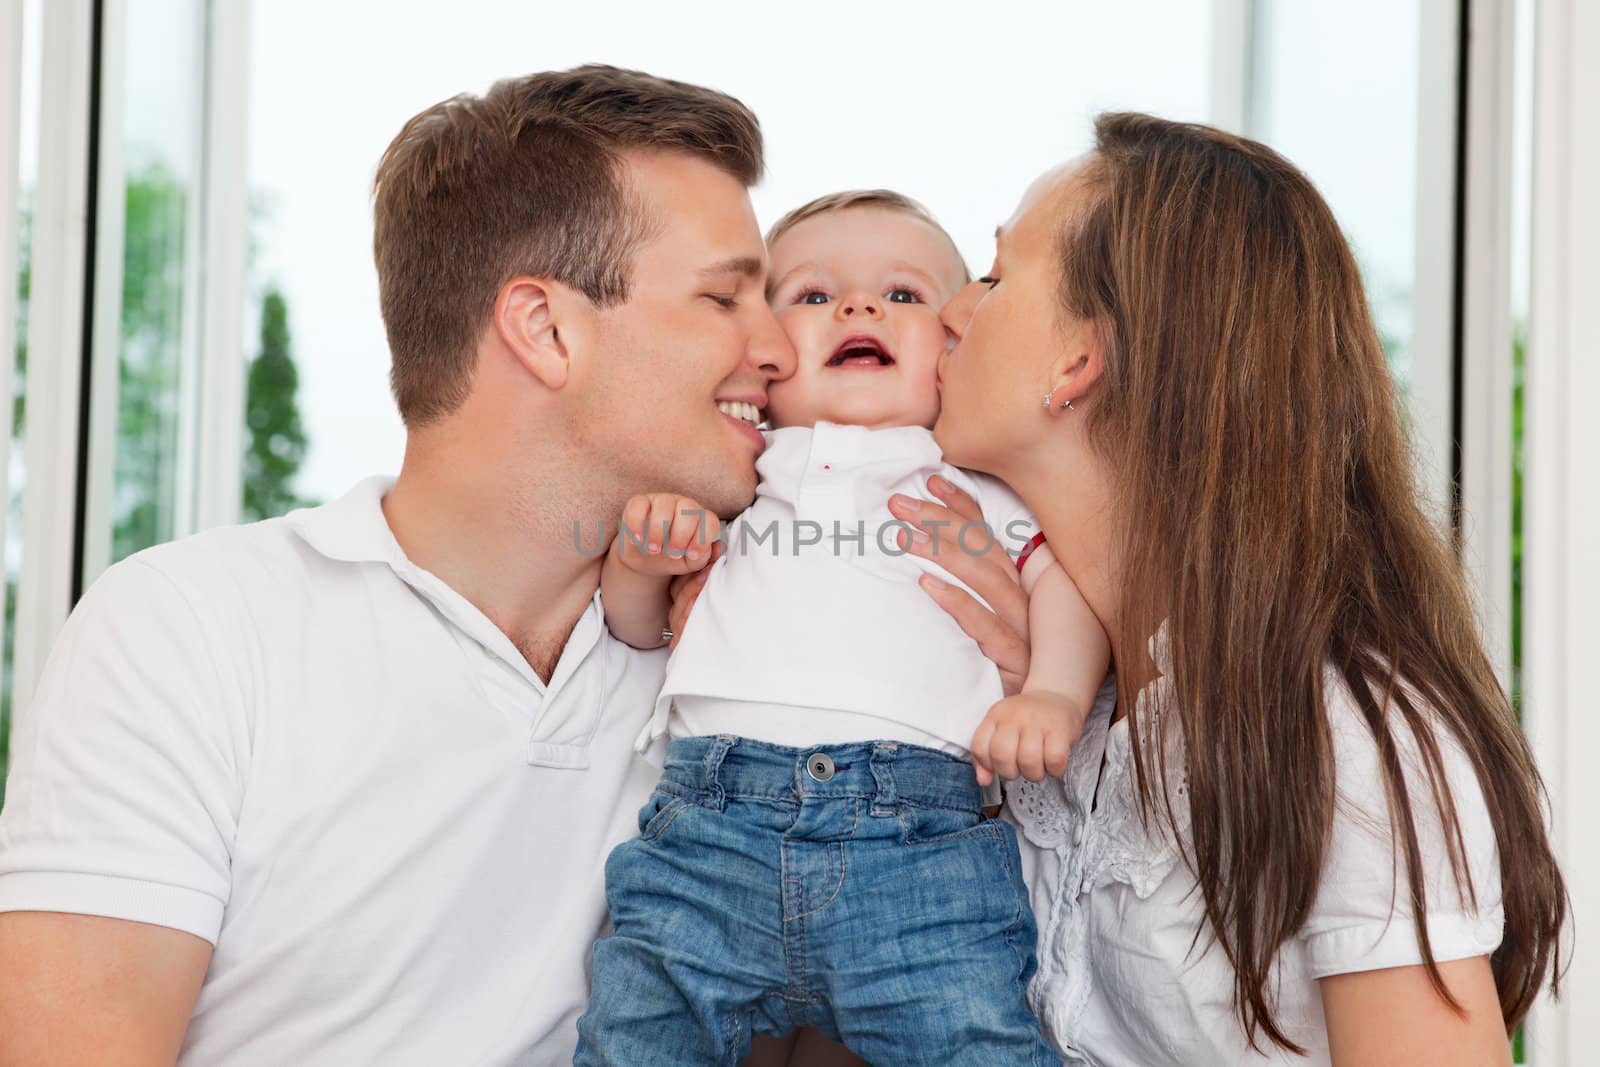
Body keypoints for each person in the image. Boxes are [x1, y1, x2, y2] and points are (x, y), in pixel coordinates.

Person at [0, 65, 798, 1065]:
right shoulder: (187, 628)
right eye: (726, 297)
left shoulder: (743, 651)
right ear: (546, 329)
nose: (780, 347)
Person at [921, 112, 1568, 1065]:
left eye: (997, 275)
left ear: (1077, 363)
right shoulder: (1058, 698)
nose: (948, 310)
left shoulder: (1342, 728)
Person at [574, 191, 1108, 1065]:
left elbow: (1062, 587)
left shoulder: (968, 479)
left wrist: (1054, 690)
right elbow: (644, 634)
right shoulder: (735, 471)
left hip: (920, 851)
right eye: (815, 297)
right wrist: (638, 562)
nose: (859, 308)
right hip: (707, 839)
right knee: (632, 1040)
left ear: (954, 347)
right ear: (767, 357)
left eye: (903, 295)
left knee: (977, 1044)